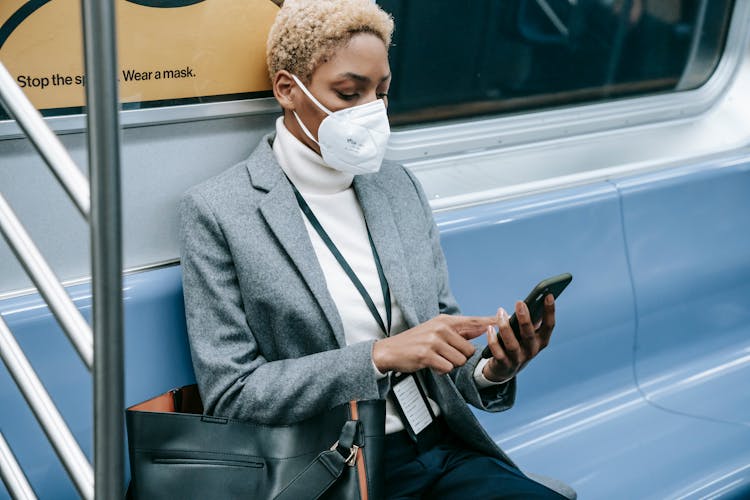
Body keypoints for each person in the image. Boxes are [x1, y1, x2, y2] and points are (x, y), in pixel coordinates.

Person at [179, 0, 573, 498]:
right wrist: (378, 357)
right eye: (349, 93)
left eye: (381, 93)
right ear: (287, 90)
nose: (371, 112)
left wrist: (494, 369)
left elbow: (441, 339)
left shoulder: (397, 187)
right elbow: (231, 395)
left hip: (436, 446)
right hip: (329, 469)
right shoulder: (218, 212)